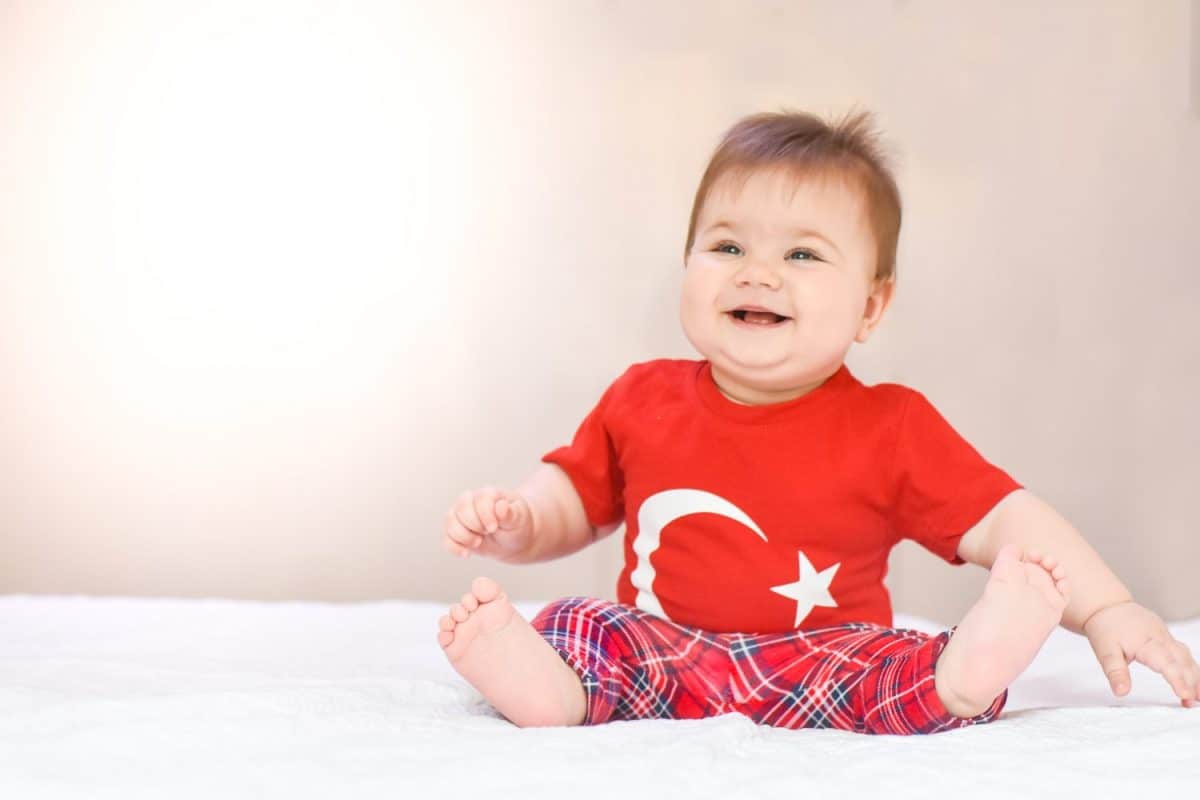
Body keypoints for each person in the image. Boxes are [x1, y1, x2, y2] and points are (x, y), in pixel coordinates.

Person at [435, 109, 1200, 734]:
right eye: (727, 245)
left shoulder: (890, 425)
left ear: (870, 306)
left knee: (899, 659)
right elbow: (575, 497)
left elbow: (1007, 519)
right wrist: (524, 522)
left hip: (819, 659)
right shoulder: (642, 395)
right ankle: (552, 693)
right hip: (665, 657)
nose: (757, 272)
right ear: (689, 264)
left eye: (802, 255)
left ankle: (966, 677)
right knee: (581, 623)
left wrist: (1105, 606)